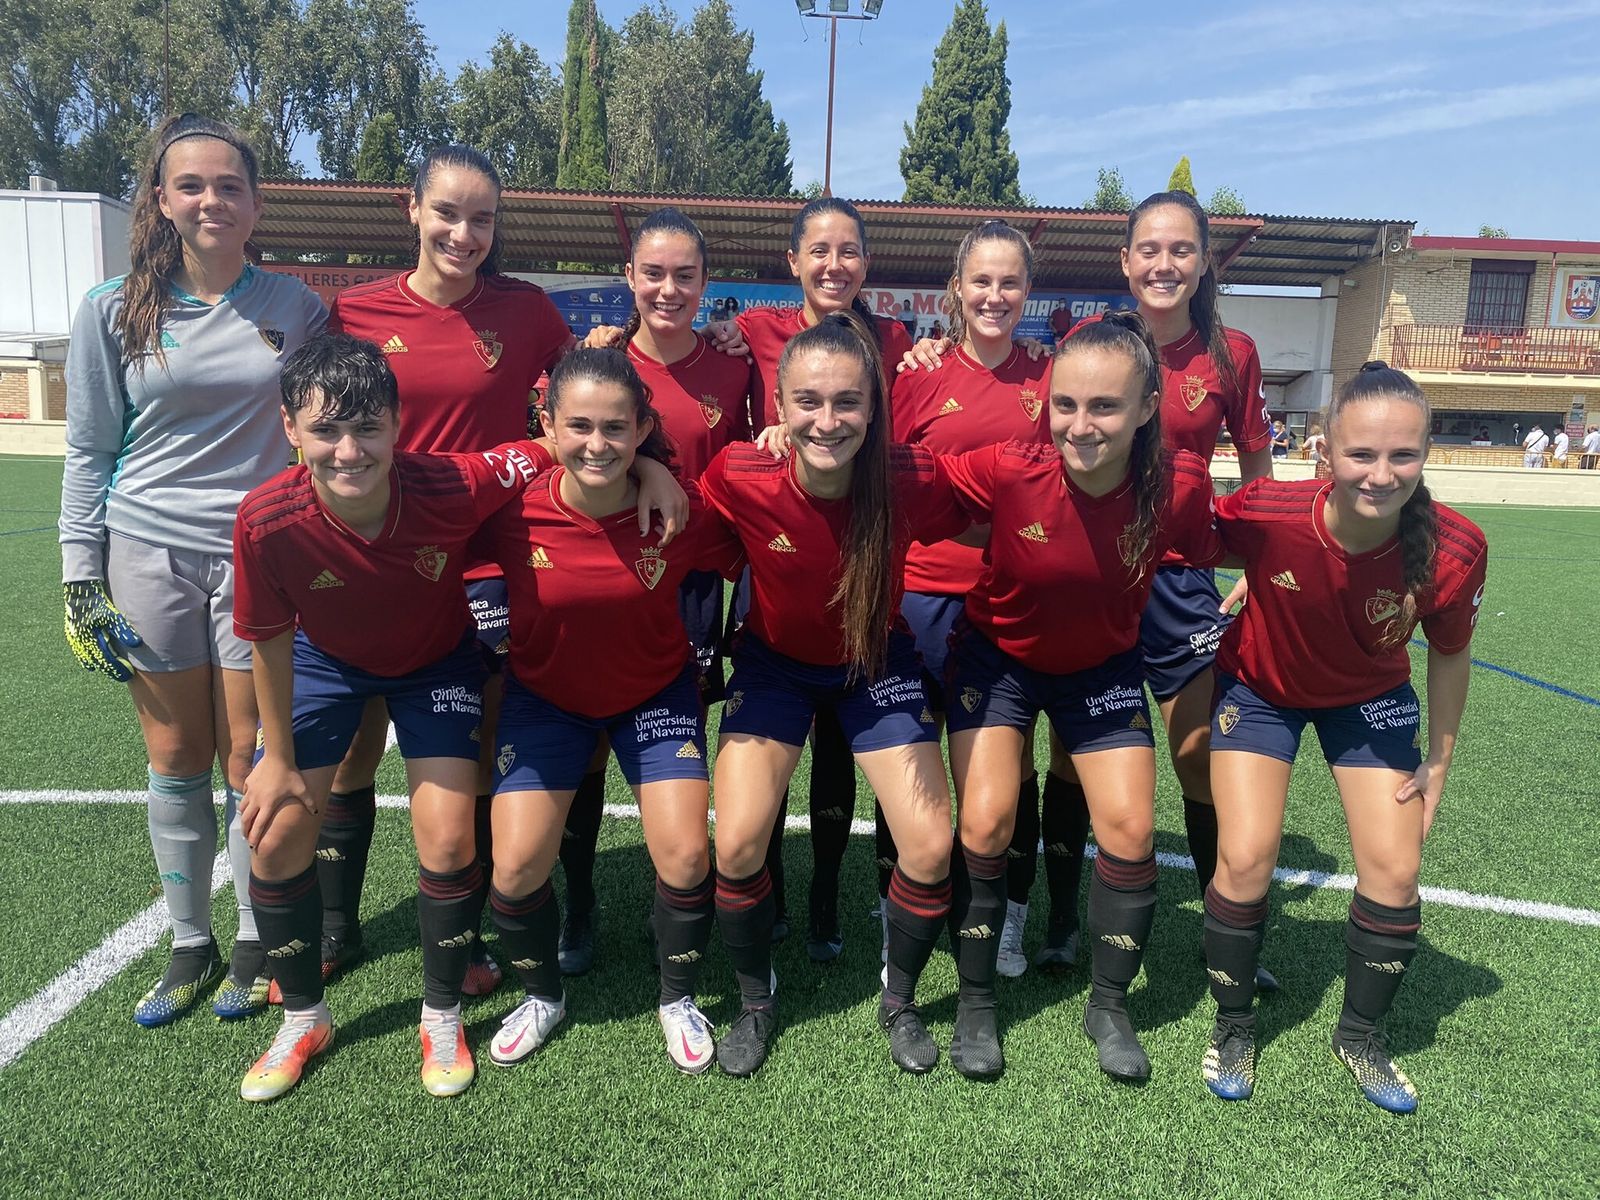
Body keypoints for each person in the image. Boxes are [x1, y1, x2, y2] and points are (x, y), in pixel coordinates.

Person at [58, 112, 327, 1027]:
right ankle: (187, 941)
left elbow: (320, 428)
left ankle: (253, 935)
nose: (213, 200)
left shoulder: (294, 306)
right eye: (192, 185)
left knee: (247, 756)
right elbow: (90, 450)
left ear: (256, 203)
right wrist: (80, 572)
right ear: (162, 199)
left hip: (259, 559)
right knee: (174, 758)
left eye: (230, 185)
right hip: (146, 551)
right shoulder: (111, 308)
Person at [231, 333, 546, 1101]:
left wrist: (645, 465)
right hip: (324, 665)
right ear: (290, 428)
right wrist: (276, 758)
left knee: (449, 835)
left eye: (368, 427)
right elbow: (267, 640)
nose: (349, 450)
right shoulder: (266, 519)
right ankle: (304, 1017)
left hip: (437, 664)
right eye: (327, 429)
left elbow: (548, 449)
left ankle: (441, 1017)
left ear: (398, 423)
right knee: (274, 836)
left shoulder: (452, 482)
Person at [309, 145, 578, 999]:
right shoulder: (354, 311)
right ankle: (335, 926)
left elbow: (592, 388)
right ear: (412, 209)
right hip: (374, 560)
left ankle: (479, 927)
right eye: (449, 213)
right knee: (356, 747)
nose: (465, 234)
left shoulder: (527, 311)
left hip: (487, 566)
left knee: (482, 744)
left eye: (482, 219)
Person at [940, 311, 1224, 1082]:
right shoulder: (1010, 467)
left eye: (1104, 406)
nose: (1080, 425)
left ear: (1146, 408)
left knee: (1130, 828)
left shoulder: (1179, 484)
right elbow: (901, 482)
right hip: (999, 662)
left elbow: (1237, 538)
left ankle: (1109, 1004)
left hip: (1100, 670)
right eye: (1064, 404)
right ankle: (975, 1002)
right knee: (987, 820)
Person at [1199, 362, 1486, 1113]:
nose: (1381, 475)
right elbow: (1192, 539)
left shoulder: (1455, 547)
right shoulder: (1268, 511)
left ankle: (1361, 1037)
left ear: (1427, 455)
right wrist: (1255, 572)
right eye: (1362, 454)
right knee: (1246, 857)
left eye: (1403, 456)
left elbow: (1451, 654)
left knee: (1395, 870)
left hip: (1369, 699)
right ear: (1324, 452)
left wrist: (1440, 763)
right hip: (1260, 692)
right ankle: (1234, 1025)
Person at [701, 311, 968, 1077]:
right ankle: (756, 1002)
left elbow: (1003, 506)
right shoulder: (740, 472)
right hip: (774, 669)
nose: (827, 420)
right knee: (737, 844)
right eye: (808, 402)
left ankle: (900, 1001)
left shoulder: (910, 476)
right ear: (779, 406)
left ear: (874, 407)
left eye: (848, 401)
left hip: (874, 666)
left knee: (929, 845)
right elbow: (683, 515)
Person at [478, 349, 736, 1075]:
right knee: (514, 869)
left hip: (654, 694)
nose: (598, 444)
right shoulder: (510, 510)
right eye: (580, 426)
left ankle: (677, 998)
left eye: (617, 428)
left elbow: (758, 539)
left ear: (643, 428)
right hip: (546, 701)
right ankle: (542, 996)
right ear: (549, 427)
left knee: (686, 855)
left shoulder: (678, 508)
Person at [710, 197, 917, 962]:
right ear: (793, 260)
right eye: (819, 251)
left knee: (840, 733)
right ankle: (769, 890)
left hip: (859, 542)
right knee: (774, 724)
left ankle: (827, 889)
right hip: (778, 540)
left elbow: (904, 437)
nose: (835, 265)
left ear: (867, 262)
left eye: (849, 251)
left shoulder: (897, 340)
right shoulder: (754, 329)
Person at [890, 220, 1051, 981]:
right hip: (921, 597)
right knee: (914, 760)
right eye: (980, 280)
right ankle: (902, 906)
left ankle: (1009, 915)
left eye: (1009, 281)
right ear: (956, 288)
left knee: (1008, 770)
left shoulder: (1049, 378)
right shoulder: (916, 375)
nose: (994, 295)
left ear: (1028, 291)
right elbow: (886, 481)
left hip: (1012, 601)